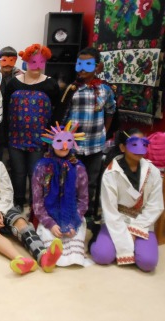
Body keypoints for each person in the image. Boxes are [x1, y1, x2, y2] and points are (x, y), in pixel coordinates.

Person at [0, 134, 63, 274]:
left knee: (21, 222)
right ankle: (20, 260)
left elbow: (7, 191)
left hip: (3, 207)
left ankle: (43, 256)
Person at [55, 47, 116, 222]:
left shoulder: (105, 90)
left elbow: (111, 110)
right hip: (73, 146)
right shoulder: (72, 90)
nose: (82, 68)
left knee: (90, 180)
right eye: (79, 64)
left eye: (87, 65)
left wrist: (104, 130)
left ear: (98, 67)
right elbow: (62, 115)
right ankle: (67, 209)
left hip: (96, 145)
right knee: (69, 179)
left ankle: (85, 213)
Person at [90, 129, 164, 272]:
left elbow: (155, 205)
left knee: (148, 263)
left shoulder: (153, 172)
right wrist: (124, 236)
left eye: (144, 144)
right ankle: (98, 235)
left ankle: (135, 248)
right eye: (134, 144)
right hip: (116, 219)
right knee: (102, 256)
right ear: (123, 147)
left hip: (142, 220)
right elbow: (109, 208)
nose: (140, 149)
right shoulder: (111, 172)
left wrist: (135, 231)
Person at [3, 43, 60, 208]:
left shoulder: (51, 84)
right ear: (26, 61)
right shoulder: (14, 83)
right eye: (33, 62)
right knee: (18, 173)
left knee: (36, 173)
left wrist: (52, 137)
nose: (37, 66)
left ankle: (36, 204)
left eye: (41, 62)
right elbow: (6, 110)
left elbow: (56, 112)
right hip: (15, 138)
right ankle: (19, 201)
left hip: (40, 139)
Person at [32, 121, 89, 267]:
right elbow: (37, 202)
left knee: (75, 256)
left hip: (73, 216)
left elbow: (83, 200)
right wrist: (50, 224)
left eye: (68, 141)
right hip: (48, 217)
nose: (64, 146)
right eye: (59, 141)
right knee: (52, 248)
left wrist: (74, 223)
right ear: (51, 143)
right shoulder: (41, 167)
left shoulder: (79, 168)